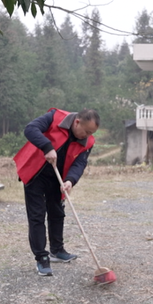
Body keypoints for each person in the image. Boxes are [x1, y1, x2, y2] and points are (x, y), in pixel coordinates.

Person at [14, 108, 100, 277]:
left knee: (57, 213)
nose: (87, 136)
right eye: (86, 131)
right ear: (77, 122)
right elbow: (30, 129)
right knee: (37, 215)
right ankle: (41, 257)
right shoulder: (55, 117)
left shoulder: (88, 142)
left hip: (58, 177)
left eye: (92, 133)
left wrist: (70, 180)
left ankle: (57, 250)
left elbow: (80, 163)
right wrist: (47, 147)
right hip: (35, 172)